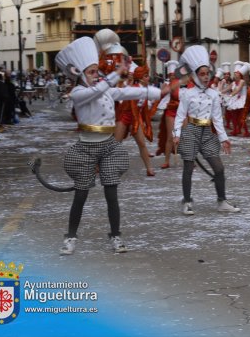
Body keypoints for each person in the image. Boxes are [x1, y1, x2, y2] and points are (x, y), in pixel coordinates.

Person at [55, 36, 170, 255]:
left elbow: (130, 91)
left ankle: (116, 236)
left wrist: (158, 92)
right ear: (80, 75)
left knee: (112, 194)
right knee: (81, 195)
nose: (95, 75)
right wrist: (114, 74)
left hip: (108, 145)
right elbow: (95, 92)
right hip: (86, 147)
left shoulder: (104, 88)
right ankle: (70, 237)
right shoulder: (79, 92)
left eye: (96, 71)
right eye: (91, 72)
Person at [173, 45, 240, 215]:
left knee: (219, 168)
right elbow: (180, 116)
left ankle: (222, 201)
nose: (205, 77)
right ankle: (187, 201)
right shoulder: (187, 94)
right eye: (202, 74)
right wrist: (177, 135)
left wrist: (224, 138)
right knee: (188, 167)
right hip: (191, 131)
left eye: (207, 73)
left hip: (207, 133)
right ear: (195, 75)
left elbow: (217, 119)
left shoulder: (214, 94)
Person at [114, 61, 159, 177]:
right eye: (146, 76)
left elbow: (144, 109)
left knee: (142, 144)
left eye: (148, 75)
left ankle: (149, 169)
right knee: (115, 144)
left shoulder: (146, 90)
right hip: (124, 117)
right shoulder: (133, 89)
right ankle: (103, 165)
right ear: (140, 78)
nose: (148, 78)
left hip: (135, 118)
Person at [156, 60, 184, 168]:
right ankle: (167, 161)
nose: (172, 77)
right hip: (171, 112)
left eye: (173, 75)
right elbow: (160, 96)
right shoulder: (166, 85)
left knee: (185, 136)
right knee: (170, 137)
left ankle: (191, 159)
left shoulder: (181, 84)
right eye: (170, 75)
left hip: (181, 112)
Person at [226, 61, 250, 137]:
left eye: (237, 74)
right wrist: (219, 92)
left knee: (241, 117)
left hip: (242, 101)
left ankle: (246, 131)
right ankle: (235, 130)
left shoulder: (242, 81)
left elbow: (237, 90)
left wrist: (230, 95)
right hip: (235, 100)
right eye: (235, 74)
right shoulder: (233, 83)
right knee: (234, 116)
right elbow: (227, 88)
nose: (235, 75)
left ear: (240, 75)